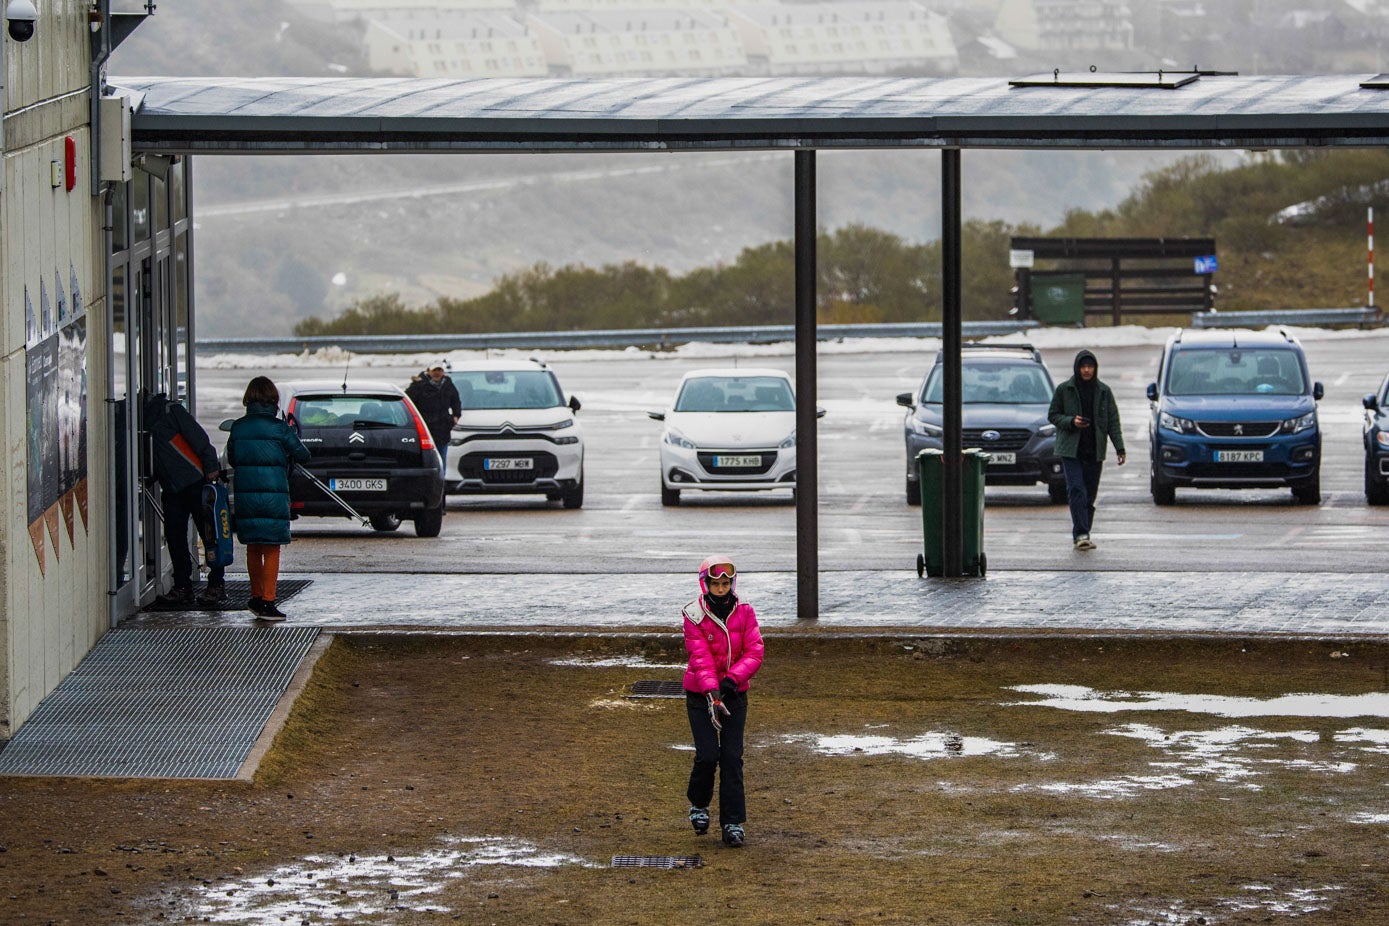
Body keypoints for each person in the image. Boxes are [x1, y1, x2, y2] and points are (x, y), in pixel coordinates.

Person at [682, 555, 765, 848]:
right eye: (715, 583)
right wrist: (712, 692)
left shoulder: (745, 612)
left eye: (725, 583)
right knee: (707, 755)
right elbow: (700, 657)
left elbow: (755, 651)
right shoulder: (693, 615)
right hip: (700, 695)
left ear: (732, 584)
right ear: (705, 585)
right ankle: (699, 805)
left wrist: (731, 682)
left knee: (732, 758)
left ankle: (732, 822)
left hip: (734, 694)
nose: (721, 588)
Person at [225, 376, 310, 621]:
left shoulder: (238, 427)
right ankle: (268, 601)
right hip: (274, 495)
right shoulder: (279, 428)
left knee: (253, 546)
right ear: (273, 400)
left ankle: (256, 596)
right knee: (272, 548)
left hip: (246, 495)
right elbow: (303, 454)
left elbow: (233, 458)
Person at [143, 391, 226, 607]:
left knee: (206, 535)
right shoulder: (150, 416)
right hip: (172, 486)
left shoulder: (169, 411)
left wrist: (210, 467)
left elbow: (198, 439)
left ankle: (213, 583)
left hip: (194, 481)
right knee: (177, 535)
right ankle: (186, 585)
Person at [1048, 349, 1126, 551]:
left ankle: (1084, 531)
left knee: (1089, 495)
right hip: (1071, 451)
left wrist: (1120, 447)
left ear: (1095, 368)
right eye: (1083, 366)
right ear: (1077, 368)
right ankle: (1081, 533)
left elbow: (1112, 421)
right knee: (1076, 490)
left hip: (1094, 450)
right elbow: (1053, 415)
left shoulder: (1104, 392)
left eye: (1090, 366)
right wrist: (1071, 421)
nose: (1086, 370)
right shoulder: (1064, 389)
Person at [406, 360, 461, 477]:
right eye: (434, 370)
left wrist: (456, 416)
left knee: (442, 459)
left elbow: (456, 401)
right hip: (425, 429)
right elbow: (408, 402)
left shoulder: (448, 384)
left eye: (439, 370)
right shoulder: (418, 385)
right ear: (428, 371)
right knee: (426, 459)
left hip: (443, 429)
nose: (437, 373)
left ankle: (441, 484)